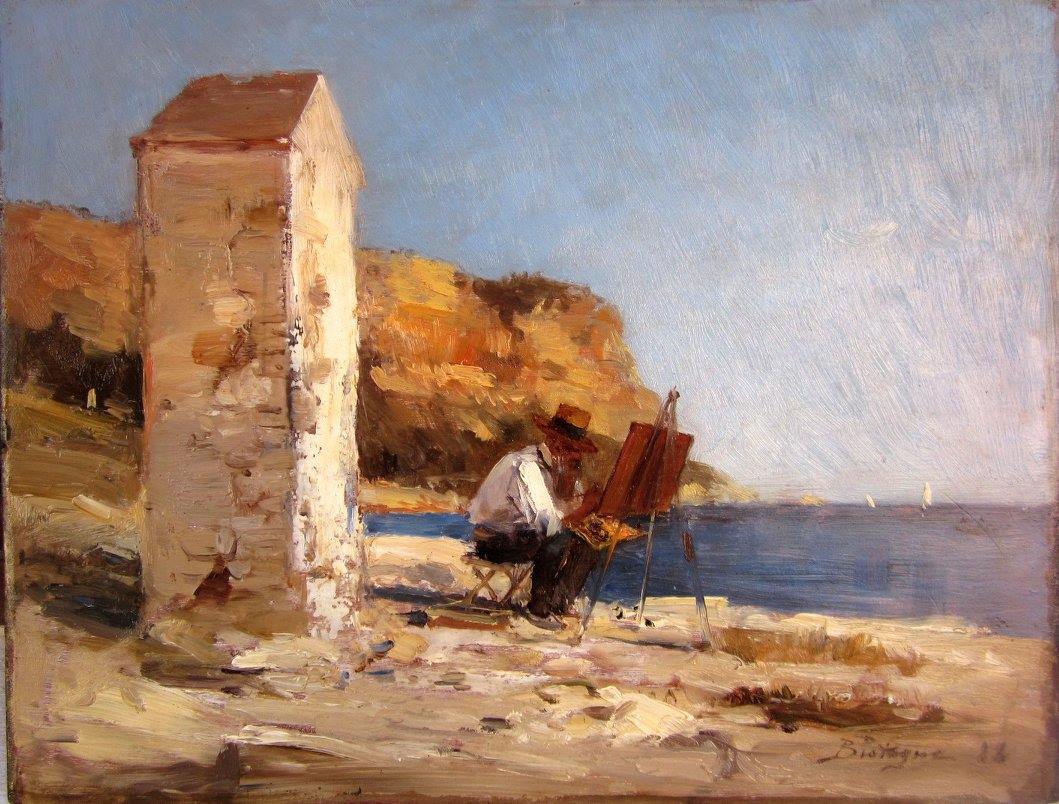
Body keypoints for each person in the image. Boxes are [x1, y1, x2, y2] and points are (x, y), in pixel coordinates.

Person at [467, 404, 602, 625]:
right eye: (573, 449)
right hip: (493, 539)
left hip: (522, 536)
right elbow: (548, 523)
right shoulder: (526, 465)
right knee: (557, 538)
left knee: (589, 544)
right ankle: (538, 609)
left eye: (578, 451)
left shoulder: (561, 470)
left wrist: (578, 500)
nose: (578, 456)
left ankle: (558, 602)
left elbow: (564, 515)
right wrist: (585, 507)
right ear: (557, 443)